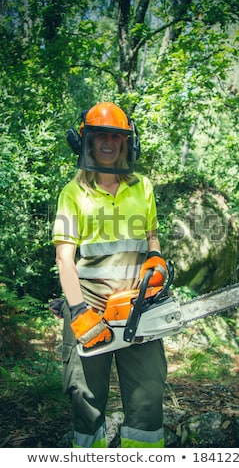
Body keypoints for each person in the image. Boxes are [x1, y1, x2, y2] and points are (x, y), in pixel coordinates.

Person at [51, 102, 168, 448]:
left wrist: (157, 258)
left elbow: (151, 237)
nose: (108, 142)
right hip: (90, 310)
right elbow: (64, 257)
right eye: (100, 135)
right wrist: (77, 310)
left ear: (126, 143)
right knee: (85, 400)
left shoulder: (142, 187)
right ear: (85, 141)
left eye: (115, 137)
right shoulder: (73, 193)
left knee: (149, 394)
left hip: (138, 308)